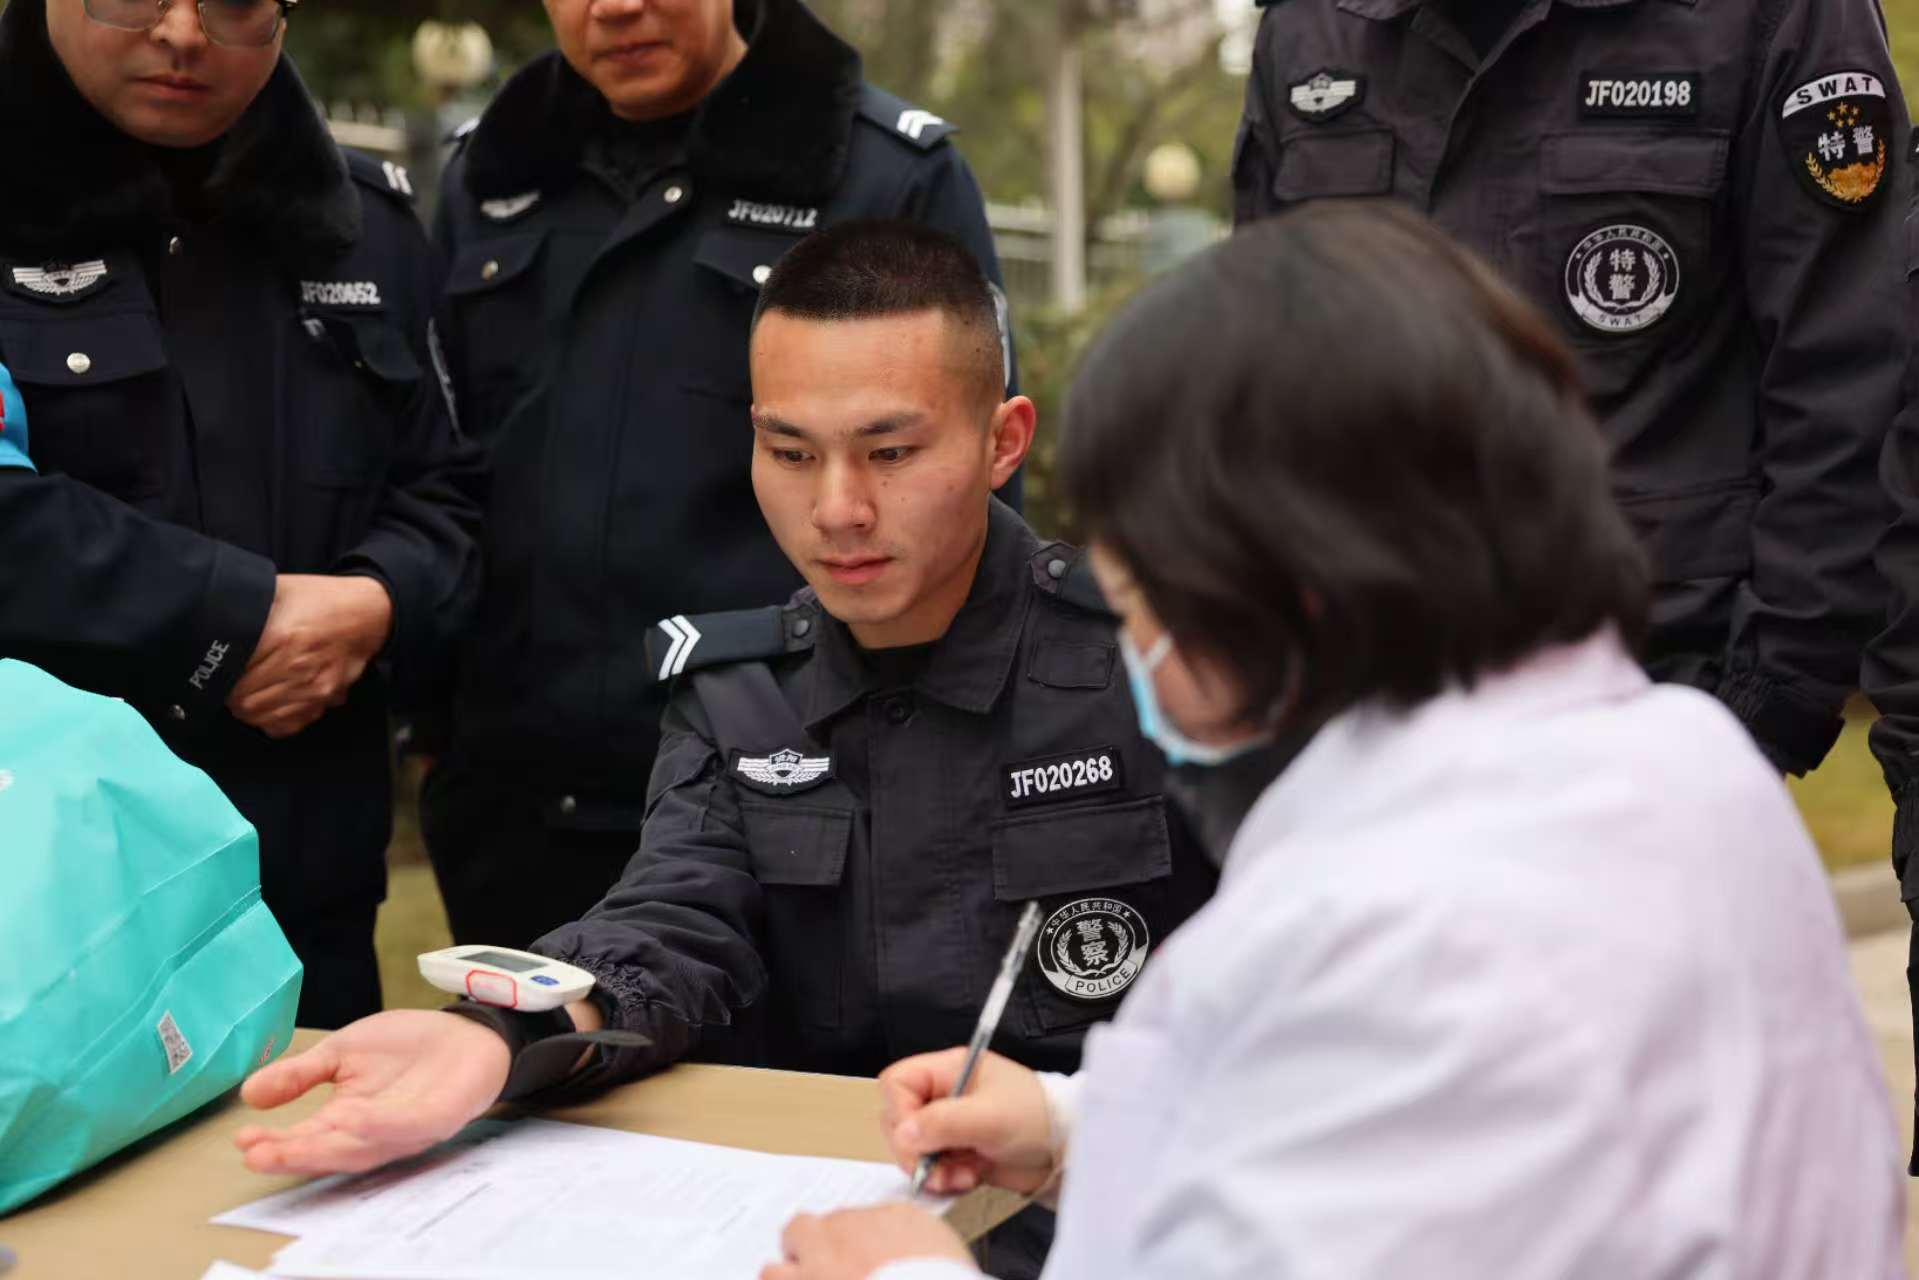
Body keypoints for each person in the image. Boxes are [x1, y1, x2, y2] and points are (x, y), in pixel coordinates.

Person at [762, 205, 1905, 1280]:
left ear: (1281, 593)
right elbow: (1385, 1152)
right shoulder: (1674, 757)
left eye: (1139, 599)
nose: (1134, 650)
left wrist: (906, 1270)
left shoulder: (1396, 928)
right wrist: (1074, 1123)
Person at [234, 222, 1215, 1279]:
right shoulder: (740, 690)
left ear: (1002, 441)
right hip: (796, 1233)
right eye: (790, 453)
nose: (837, 509)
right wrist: (496, 1036)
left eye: (889, 452)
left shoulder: (1165, 671)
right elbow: (673, 921)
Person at [422, 0, 1016, 950]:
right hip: (519, 813)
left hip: (790, 802)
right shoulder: (488, 175)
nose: (616, 6)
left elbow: (962, 506)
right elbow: (436, 470)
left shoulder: (883, 173)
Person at [1233, 0, 1907, 781]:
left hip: (1658, 702)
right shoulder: (1308, 27)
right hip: (1364, 705)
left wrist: (1765, 707)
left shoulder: (1775, 16)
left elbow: (1849, 369)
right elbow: (1260, 382)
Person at [0, 0, 482, 1027]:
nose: (183, 32)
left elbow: (452, 489)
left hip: (303, 904)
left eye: (233, 3)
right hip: (40, 912)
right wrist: (232, 621)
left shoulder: (366, 226)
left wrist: (375, 601)